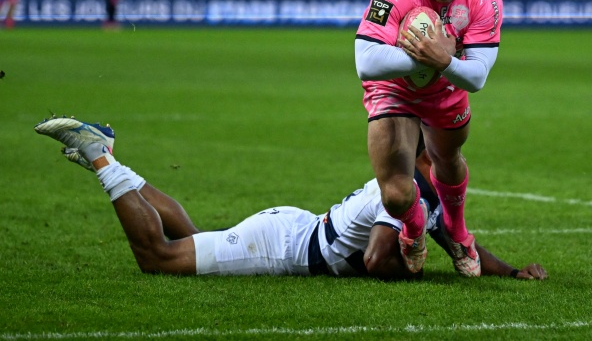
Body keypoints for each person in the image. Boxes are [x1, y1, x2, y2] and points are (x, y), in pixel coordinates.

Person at [33, 115, 547, 280]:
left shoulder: (421, 188)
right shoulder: (405, 191)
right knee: (159, 258)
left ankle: (112, 156)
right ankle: (102, 158)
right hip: (282, 247)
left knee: (191, 239)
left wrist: (509, 271)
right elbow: (377, 258)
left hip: (295, 230)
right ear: (426, 148)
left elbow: (452, 237)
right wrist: (413, 270)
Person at [355, 0, 503, 277]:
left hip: (446, 88)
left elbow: (477, 76)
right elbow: (367, 62)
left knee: (447, 158)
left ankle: (457, 231)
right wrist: (429, 55)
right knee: (394, 194)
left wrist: (443, 63)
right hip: (394, 89)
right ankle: (414, 227)